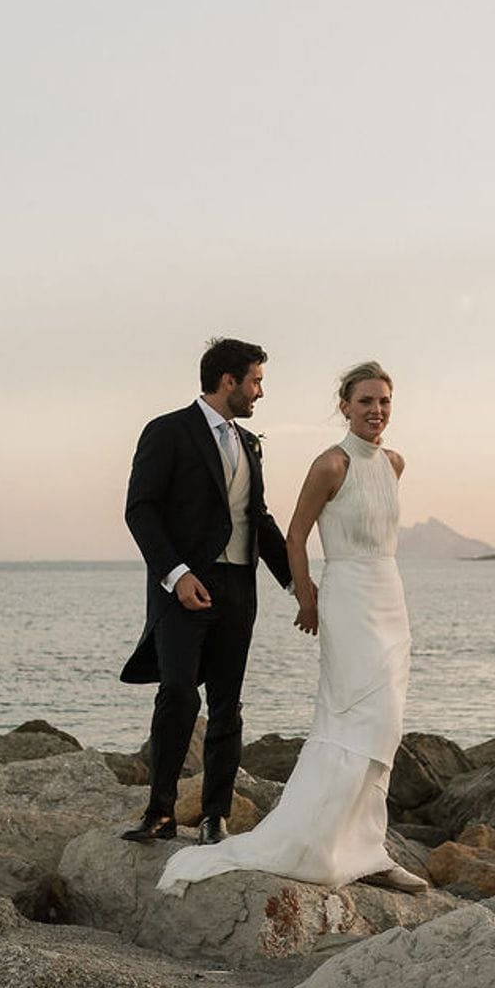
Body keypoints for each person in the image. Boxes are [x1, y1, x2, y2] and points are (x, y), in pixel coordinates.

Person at [156, 361, 427, 895]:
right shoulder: (331, 464)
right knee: (353, 717)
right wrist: (305, 595)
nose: (376, 410)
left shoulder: (395, 464)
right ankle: (318, 842)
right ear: (345, 406)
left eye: (384, 402)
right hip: (347, 599)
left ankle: (369, 849)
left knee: (387, 724)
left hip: (390, 597)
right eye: (366, 401)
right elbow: (297, 533)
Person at [120, 338, 293, 845]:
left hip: (239, 587)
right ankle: (160, 811)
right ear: (228, 381)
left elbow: (256, 518)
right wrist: (176, 574)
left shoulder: (250, 443)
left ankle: (215, 815)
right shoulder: (167, 431)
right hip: (183, 588)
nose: (260, 392)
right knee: (176, 692)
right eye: (256, 381)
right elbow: (141, 509)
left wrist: (298, 584)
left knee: (227, 703)